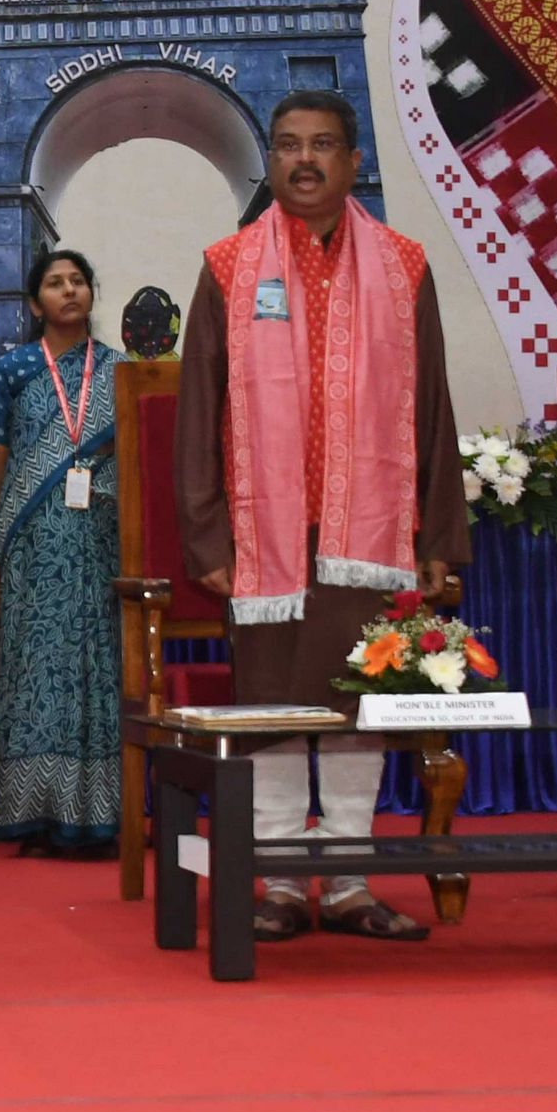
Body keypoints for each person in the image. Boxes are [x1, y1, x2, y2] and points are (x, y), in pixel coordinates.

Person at [175, 90, 466, 943]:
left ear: (353, 160)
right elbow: (198, 414)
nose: (305, 159)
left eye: (324, 144)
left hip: (369, 533)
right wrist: (208, 535)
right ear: (270, 159)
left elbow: (432, 407)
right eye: (289, 145)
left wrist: (439, 537)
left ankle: (345, 879)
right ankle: (274, 880)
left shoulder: (404, 266)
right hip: (262, 536)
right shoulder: (229, 266)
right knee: (270, 706)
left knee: (354, 704)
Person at [0, 247, 123, 853]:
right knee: (36, 678)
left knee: (97, 673)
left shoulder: (118, 372)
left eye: (78, 281)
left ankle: (97, 814)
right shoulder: (14, 370)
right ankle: (35, 814)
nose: (69, 291)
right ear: (36, 304)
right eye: (55, 283)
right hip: (30, 551)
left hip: (101, 548)